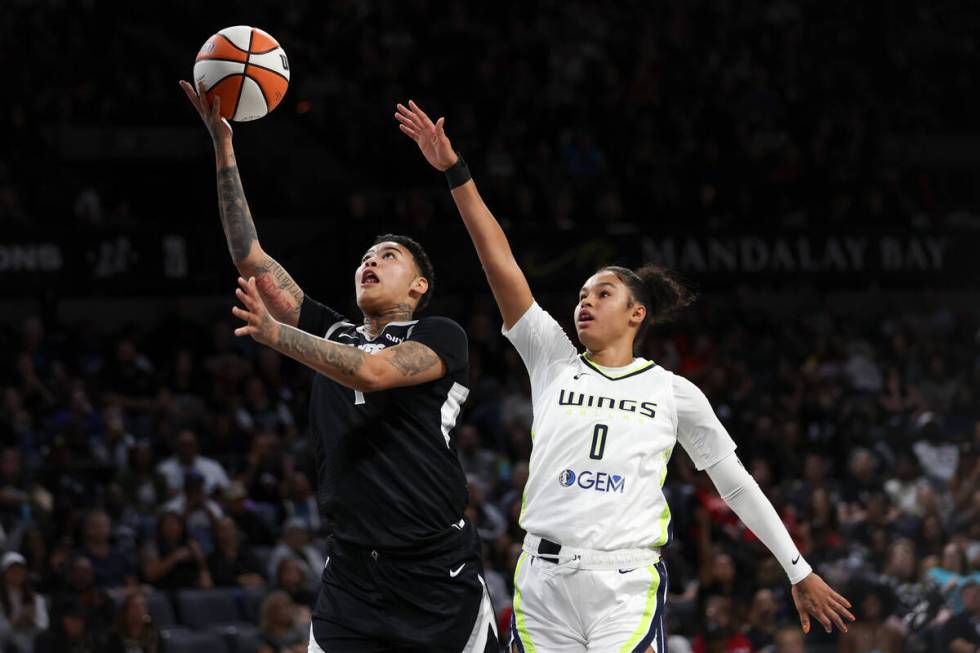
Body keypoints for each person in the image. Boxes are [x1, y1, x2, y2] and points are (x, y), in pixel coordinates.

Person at [396, 99, 855, 651]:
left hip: (626, 583)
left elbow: (734, 483)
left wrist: (797, 569)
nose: (584, 303)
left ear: (637, 313)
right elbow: (500, 261)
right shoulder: (552, 357)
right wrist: (455, 172)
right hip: (541, 582)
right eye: (582, 295)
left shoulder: (673, 392)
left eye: (603, 294)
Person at [179, 80, 497, 652]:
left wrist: (278, 336)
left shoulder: (440, 335)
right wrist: (224, 147)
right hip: (351, 574)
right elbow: (250, 257)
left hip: (434, 575)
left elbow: (371, 374)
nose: (371, 261)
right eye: (367, 256)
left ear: (420, 285)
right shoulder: (333, 328)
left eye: (389, 256)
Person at [0, 552, 48, 653]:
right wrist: (15, 622)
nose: (16, 573)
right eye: (12, 570)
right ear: (4, 573)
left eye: (19, 570)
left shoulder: (36, 598)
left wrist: (31, 619)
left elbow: (43, 626)